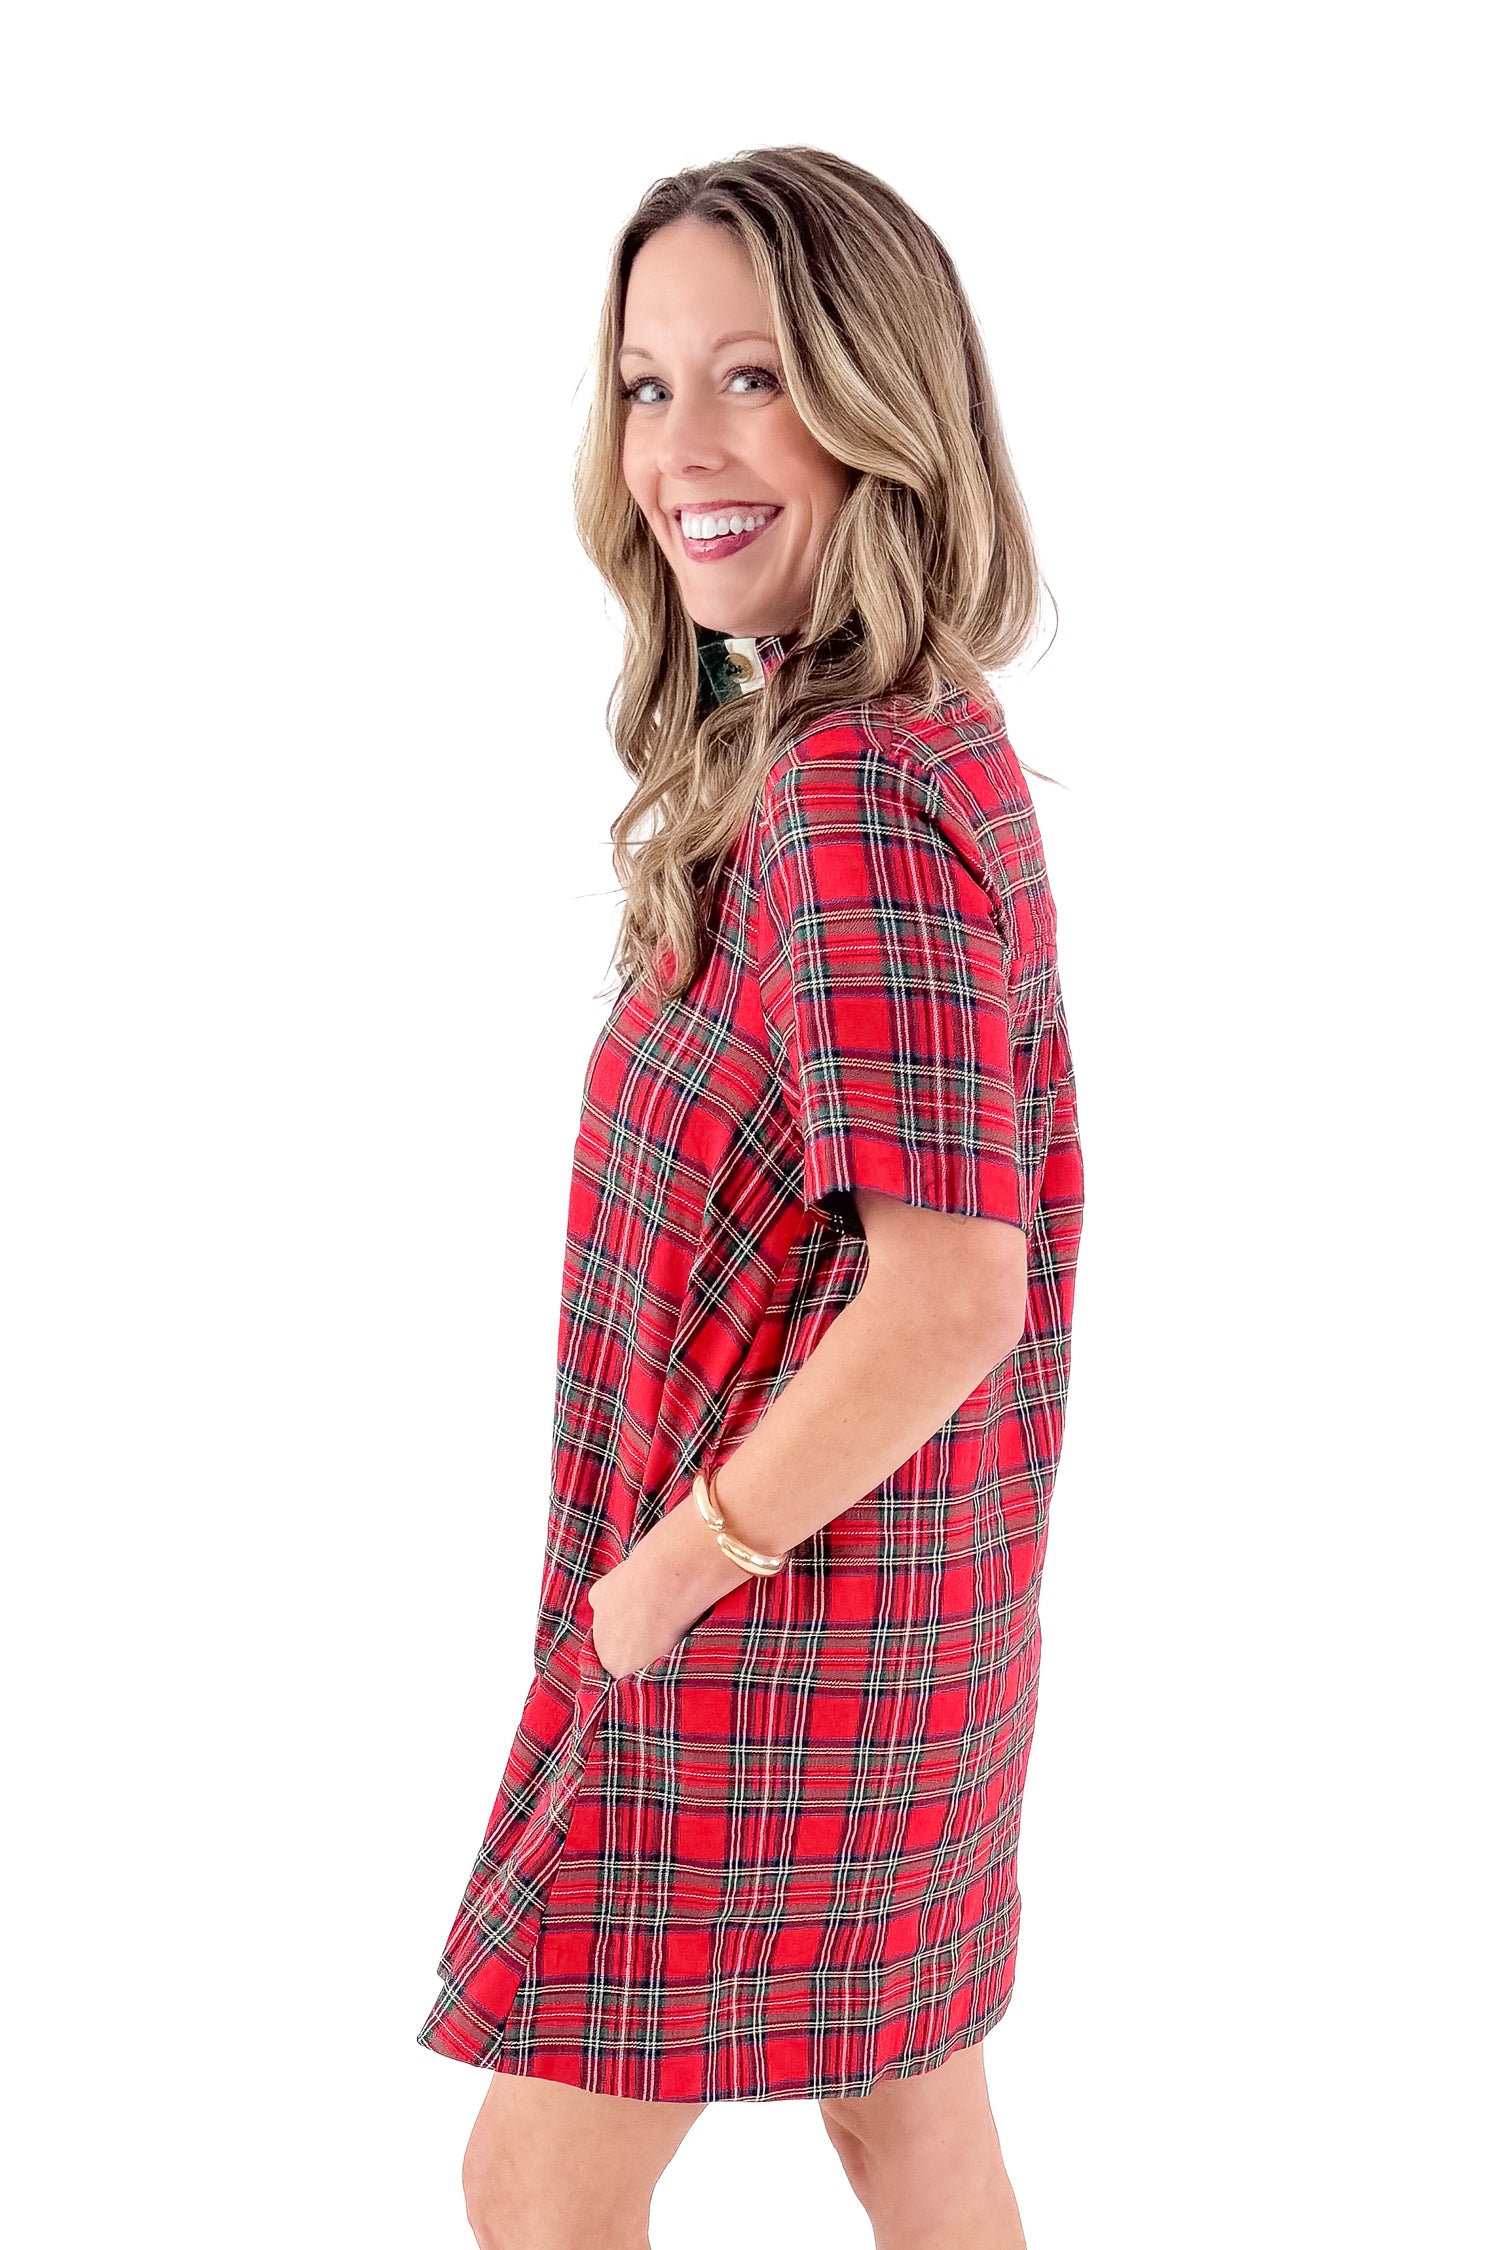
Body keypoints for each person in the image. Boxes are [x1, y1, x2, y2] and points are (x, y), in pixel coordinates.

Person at [418, 146, 1085, 2250]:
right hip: (907, 1612)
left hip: (772, 1625)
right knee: (910, 2122)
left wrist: (677, 1570)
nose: (680, 452)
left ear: (880, 403)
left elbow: (955, 1285)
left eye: (752, 379)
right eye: (642, 387)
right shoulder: (899, 734)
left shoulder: (852, 787)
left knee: (537, 2176)